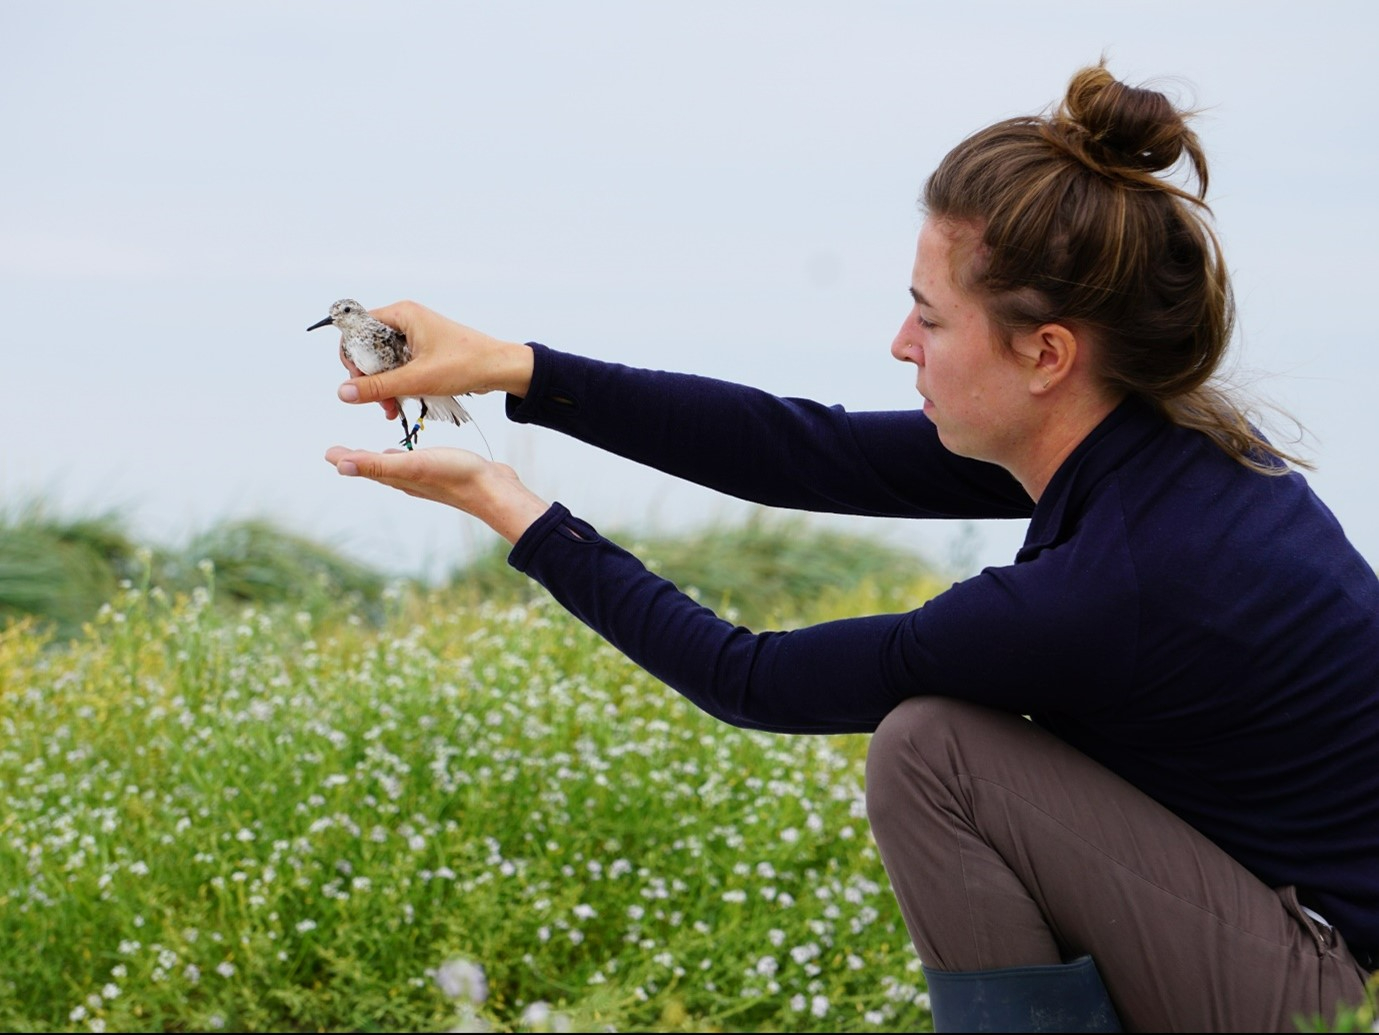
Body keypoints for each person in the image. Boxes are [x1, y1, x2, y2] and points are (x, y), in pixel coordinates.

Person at [322, 63, 1379, 1032]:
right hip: (1282, 930)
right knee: (940, 743)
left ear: (1044, 354)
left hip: (1335, 992)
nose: (899, 344)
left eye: (928, 318)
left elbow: (750, 678)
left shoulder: (1110, 584)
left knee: (931, 754)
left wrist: (518, 514)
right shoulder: (1143, 440)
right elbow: (803, 452)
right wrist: (515, 368)